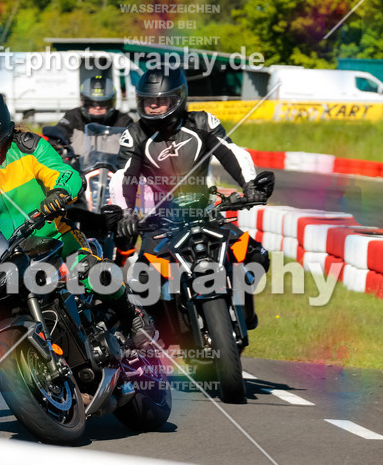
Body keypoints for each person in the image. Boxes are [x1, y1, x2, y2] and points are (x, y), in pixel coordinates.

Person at [0, 89, 152, 346]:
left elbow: (65, 174)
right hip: (3, 258)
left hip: (55, 239)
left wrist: (61, 191)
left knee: (95, 273)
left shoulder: (27, 148)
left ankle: (133, 316)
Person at [116, 66, 275, 328]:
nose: (154, 107)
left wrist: (250, 186)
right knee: (141, 282)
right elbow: (125, 177)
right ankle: (165, 337)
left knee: (257, 255)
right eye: (148, 101)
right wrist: (125, 212)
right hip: (160, 221)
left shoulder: (203, 122)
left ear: (178, 98)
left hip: (205, 213)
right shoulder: (134, 135)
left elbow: (231, 153)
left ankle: (243, 311)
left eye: (161, 100)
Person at [42, 72, 133, 164]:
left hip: (114, 173)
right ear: (84, 102)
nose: (97, 108)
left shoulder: (123, 121)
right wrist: (55, 144)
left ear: (111, 103)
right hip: (79, 172)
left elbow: (137, 142)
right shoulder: (73, 116)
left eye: (102, 104)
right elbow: (59, 131)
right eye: (92, 103)